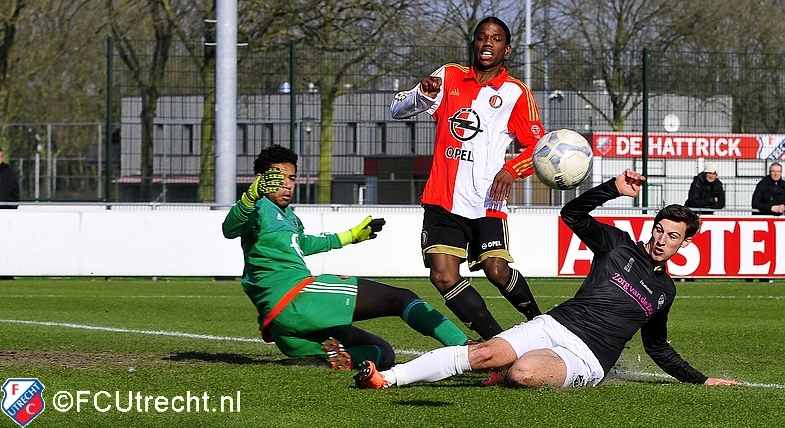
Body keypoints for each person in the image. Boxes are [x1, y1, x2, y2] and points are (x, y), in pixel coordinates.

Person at [354, 169, 739, 389]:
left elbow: (657, 347)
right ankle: (386, 378)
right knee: (486, 353)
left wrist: (700, 380)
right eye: (659, 230)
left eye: (672, 236)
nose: (661, 240)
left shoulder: (664, 292)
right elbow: (572, 215)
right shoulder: (617, 245)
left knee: (522, 372)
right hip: (555, 324)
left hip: (589, 358)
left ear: (685, 242)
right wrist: (612, 190)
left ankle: (506, 371)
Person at [222, 144, 469, 371]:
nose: (287, 184)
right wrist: (250, 195)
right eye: (279, 178)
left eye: (292, 178)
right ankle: (467, 349)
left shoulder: (289, 217)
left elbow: (304, 244)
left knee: (383, 353)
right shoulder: (256, 206)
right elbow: (229, 228)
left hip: (286, 329)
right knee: (402, 298)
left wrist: (351, 236)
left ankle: (334, 358)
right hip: (297, 299)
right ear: (260, 180)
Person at [389, 16, 545, 345]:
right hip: (443, 198)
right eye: (482, 37)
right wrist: (422, 94)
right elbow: (397, 110)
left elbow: (539, 148)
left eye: (497, 38)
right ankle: (498, 344)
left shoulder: (516, 93)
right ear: (474, 43)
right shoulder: (448, 76)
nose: (488, 43)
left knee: (496, 270)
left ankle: (542, 324)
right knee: (443, 275)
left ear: (508, 47)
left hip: (486, 201)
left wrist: (512, 169)